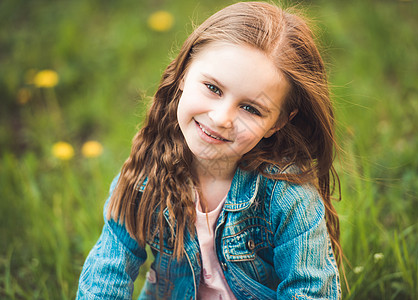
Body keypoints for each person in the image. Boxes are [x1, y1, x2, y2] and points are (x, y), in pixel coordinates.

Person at [76, 1, 343, 299]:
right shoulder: (146, 178)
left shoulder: (287, 196)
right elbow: (107, 271)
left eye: (250, 108)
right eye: (213, 88)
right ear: (183, 73)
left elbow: (308, 290)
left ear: (277, 122)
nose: (221, 118)